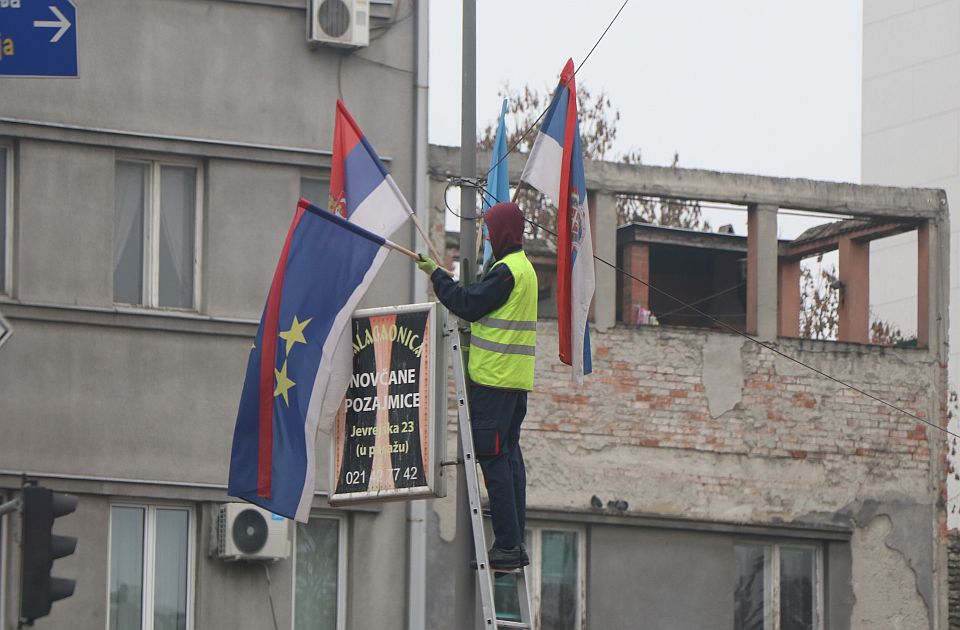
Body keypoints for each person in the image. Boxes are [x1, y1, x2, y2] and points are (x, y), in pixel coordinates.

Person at [415, 201, 537, 570]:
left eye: (488, 229)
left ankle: (507, 545)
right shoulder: (525, 269)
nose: (484, 235)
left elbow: (467, 305)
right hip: (513, 383)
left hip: (493, 381)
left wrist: (437, 275)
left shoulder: (506, 272)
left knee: (494, 460)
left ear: (501, 232)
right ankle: (514, 543)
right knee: (510, 461)